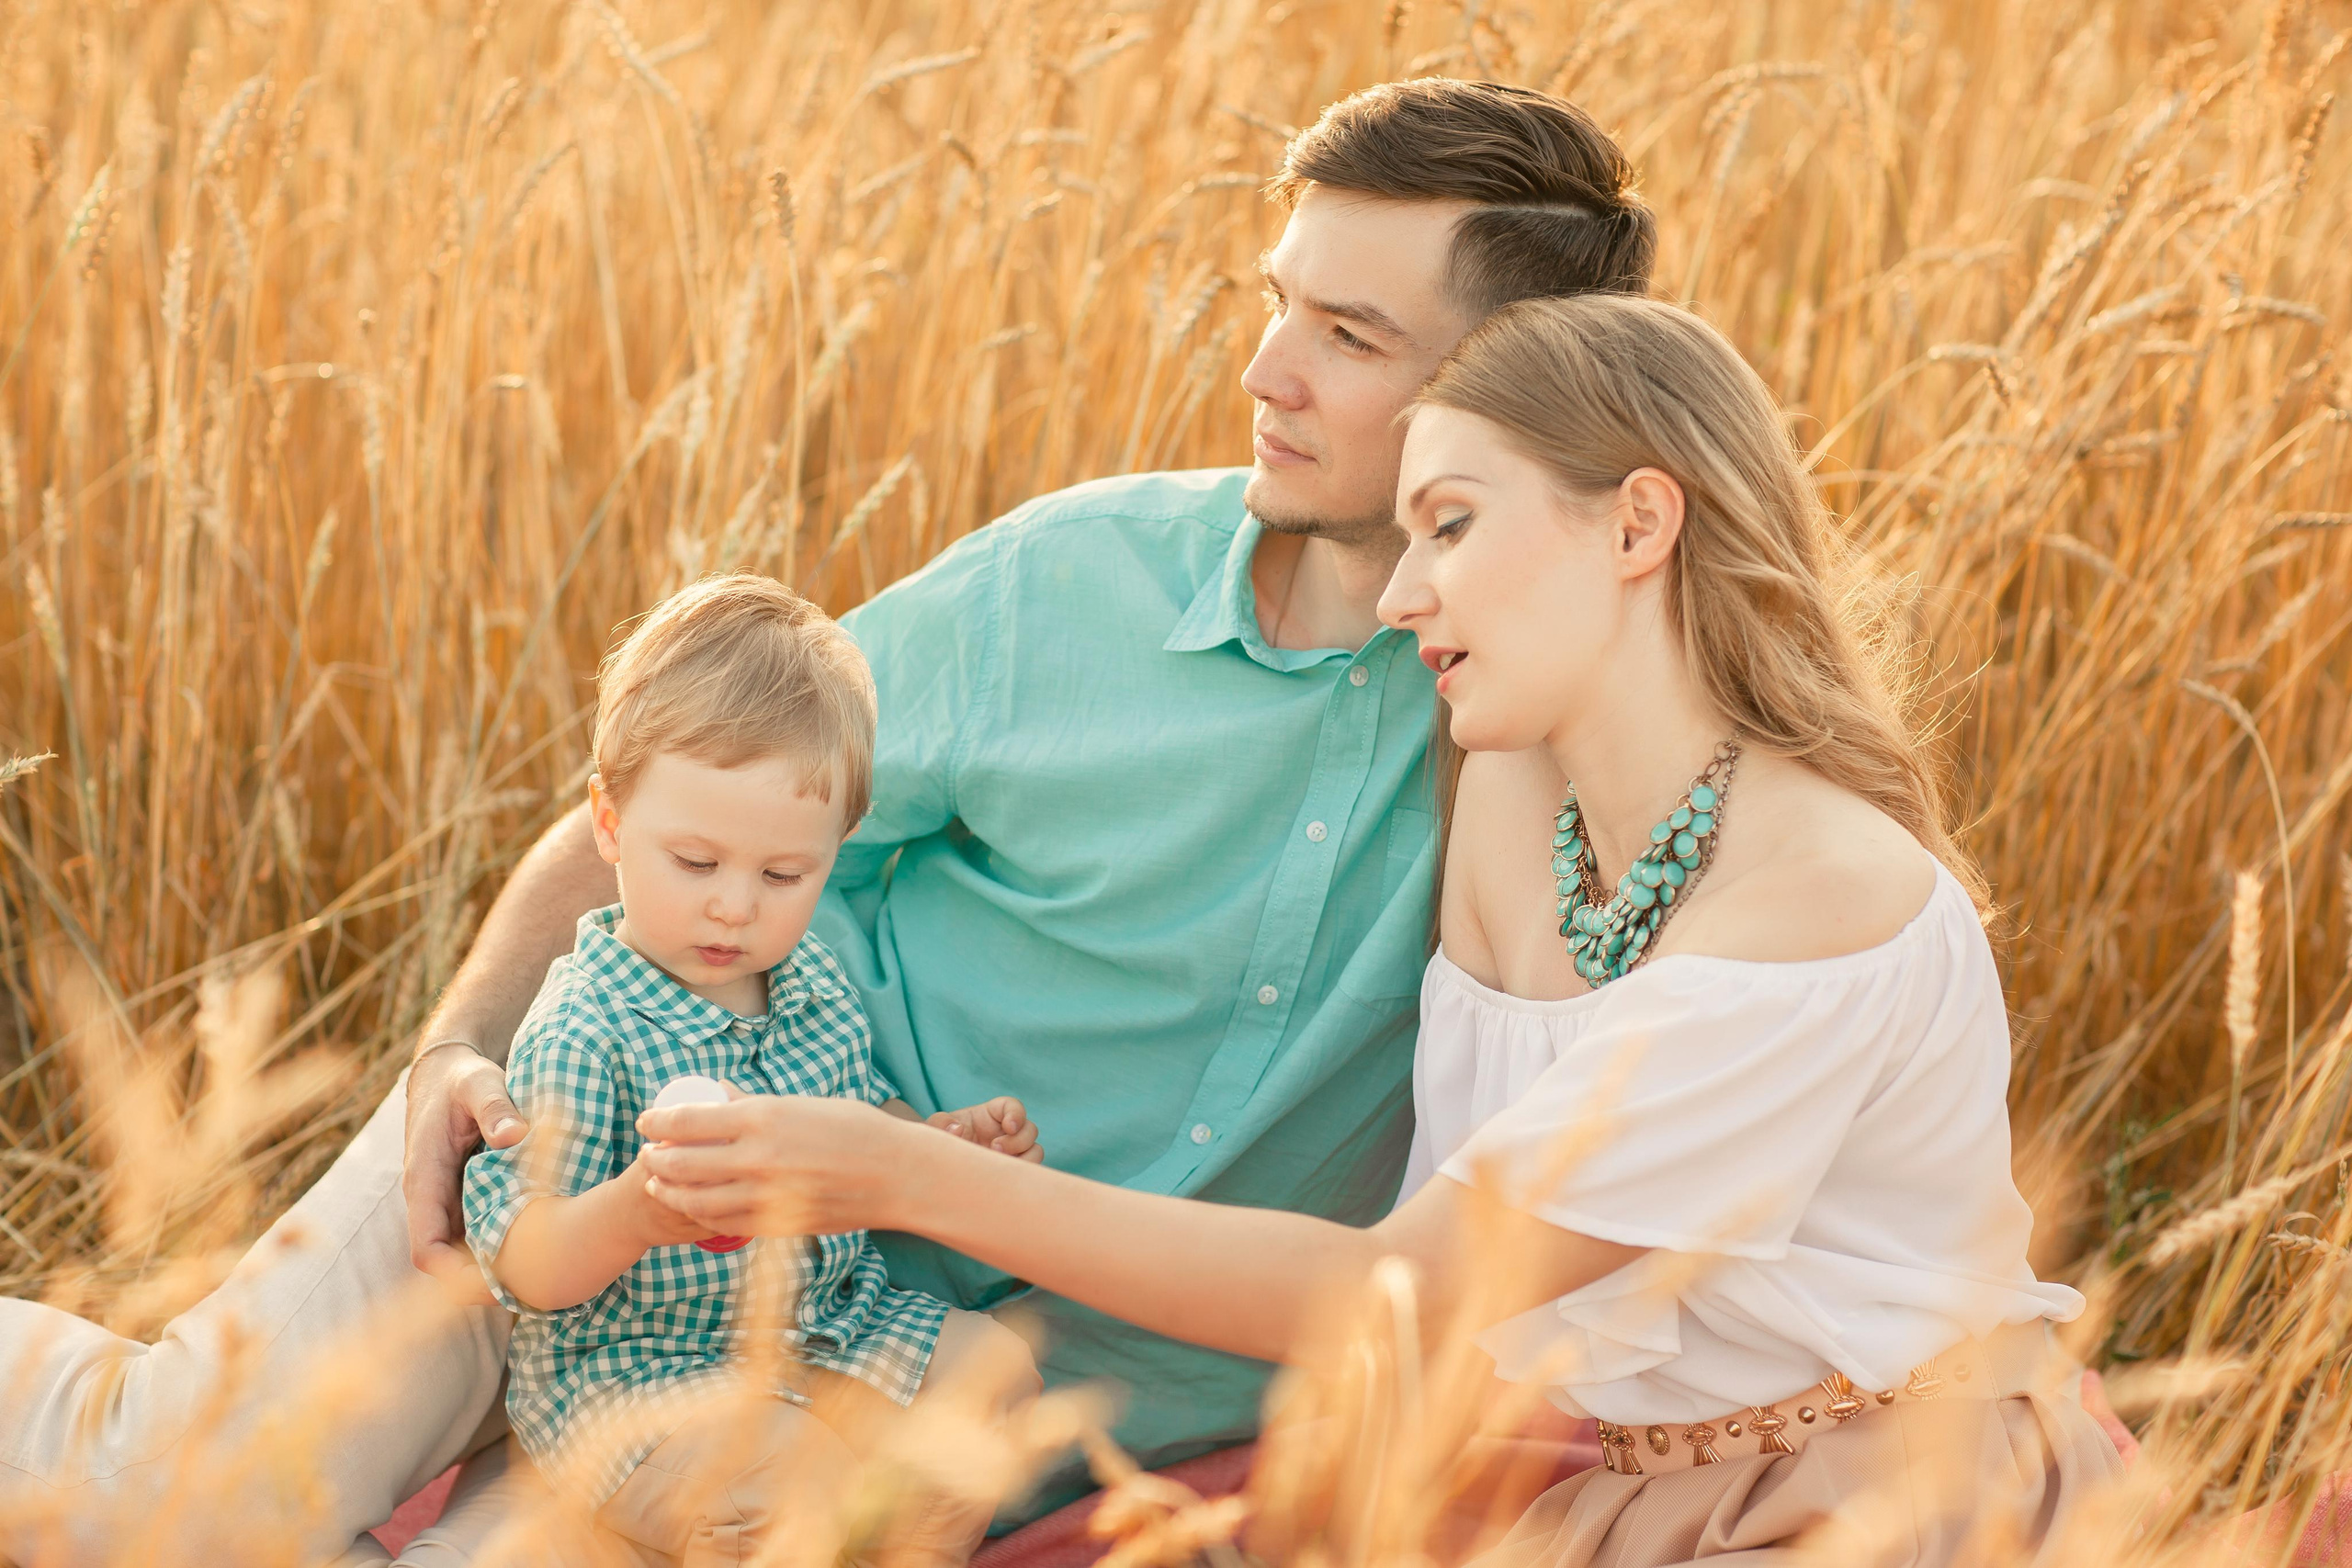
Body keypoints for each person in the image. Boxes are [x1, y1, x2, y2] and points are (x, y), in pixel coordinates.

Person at [0, 77, 1657, 1565]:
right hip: (609, 1129)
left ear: (1517, 397)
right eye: (1276, 303)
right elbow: (667, 802)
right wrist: (454, 1054)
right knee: (166, 1502)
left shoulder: (1550, 735)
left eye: (1350, 337)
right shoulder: (1069, 582)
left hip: (883, 1398)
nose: (1263, 370)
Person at [629, 294, 2127, 1567]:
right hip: (1643, 1488)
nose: (1405, 594)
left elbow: (1403, 1290)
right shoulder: (1518, 793)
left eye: (1453, 525)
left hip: (1890, 1504)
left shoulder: (1810, 898)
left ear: (1639, 521)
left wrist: (907, 1175)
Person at [453, 576, 1040, 1566]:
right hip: (645, 1375)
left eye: (782, 876)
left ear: (832, 852)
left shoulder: (809, 981)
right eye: (695, 862)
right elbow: (529, 1260)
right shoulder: (589, 1025)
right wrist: (640, 1208)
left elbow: (856, 1117)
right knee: (775, 1479)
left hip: (826, 1329)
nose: (736, 908)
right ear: (608, 825)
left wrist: (930, 1142)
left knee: (997, 1374)